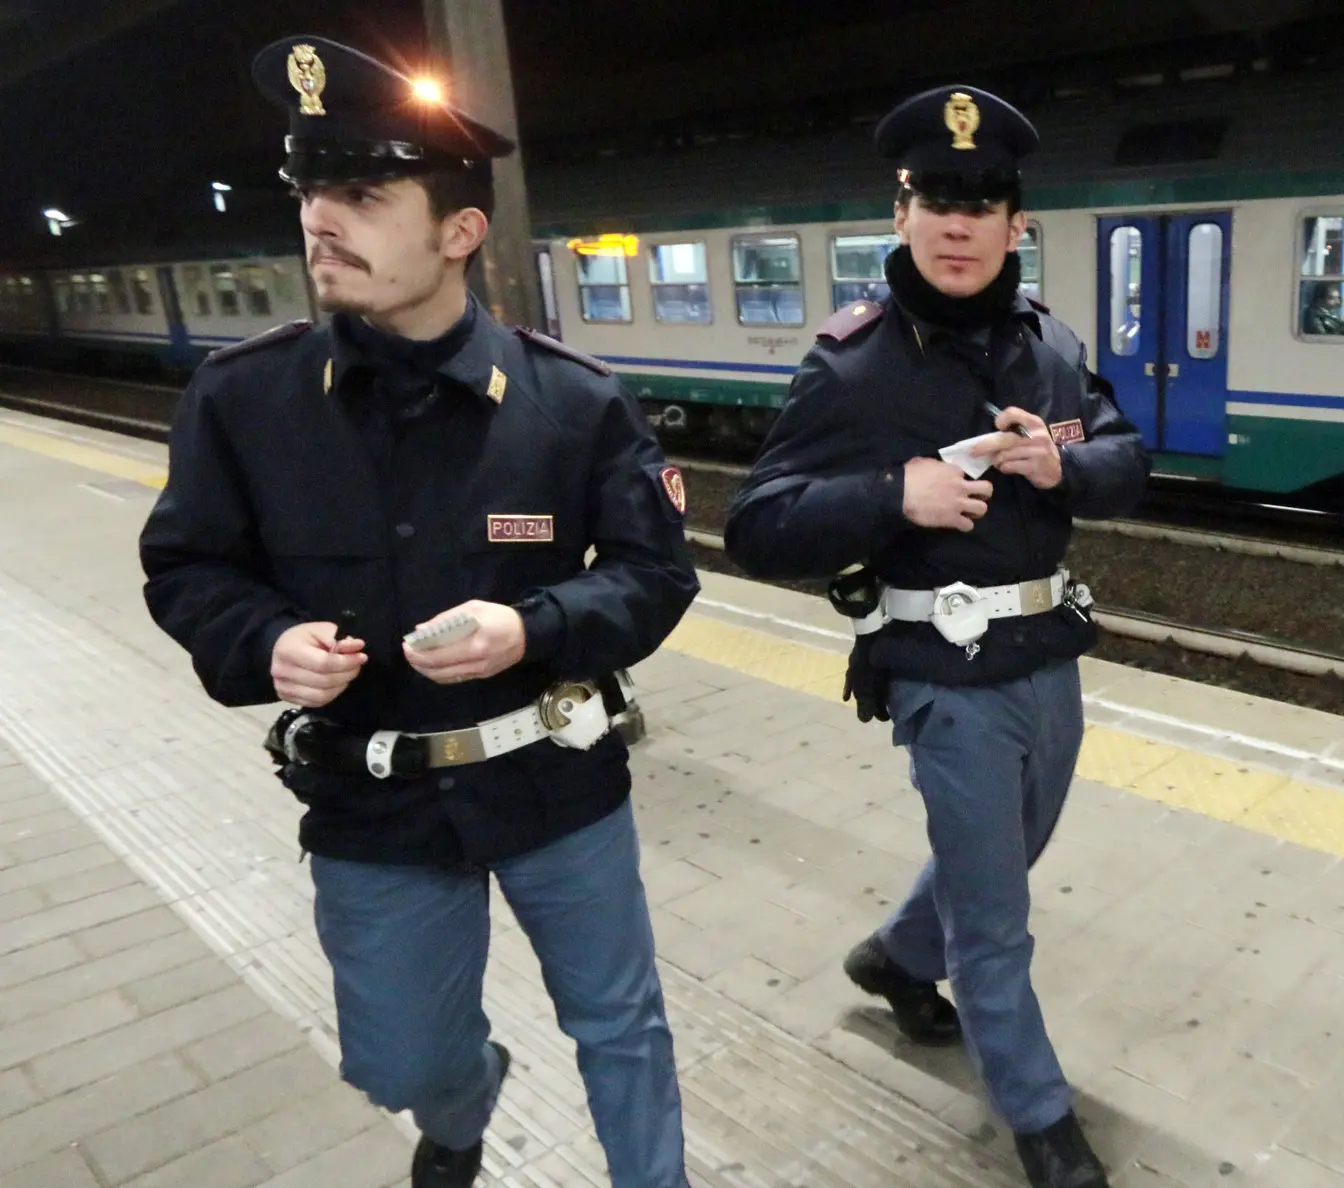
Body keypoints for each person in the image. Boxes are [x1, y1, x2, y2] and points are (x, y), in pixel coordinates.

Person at [139, 35, 698, 1188]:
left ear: (459, 232)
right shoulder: (246, 400)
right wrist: (264, 642)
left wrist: (534, 628)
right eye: (309, 193)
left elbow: (656, 573)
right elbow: (187, 568)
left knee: (622, 1029)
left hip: (556, 782)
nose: (318, 221)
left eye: (359, 194)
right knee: (401, 1059)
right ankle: (459, 1101)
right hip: (373, 797)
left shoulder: (572, 404)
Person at [725, 85, 1149, 1188]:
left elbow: (1127, 456)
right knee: (998, 915)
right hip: (941, 674)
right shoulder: (851, 365)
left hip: (1047, 656)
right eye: (936, 199)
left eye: (985, 200)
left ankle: (893, 957)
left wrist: (1067, 464)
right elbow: (755, 526)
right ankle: (1040, 1120)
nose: (960, 224)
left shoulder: (1048, 342)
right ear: (901, 215)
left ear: (1016, 223)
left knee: (1007, 855)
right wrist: (888, 495)